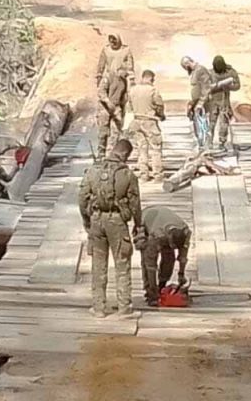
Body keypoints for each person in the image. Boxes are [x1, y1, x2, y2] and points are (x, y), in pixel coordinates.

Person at [78, 139, 145, 319]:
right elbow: (135, 203)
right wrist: (138, 225)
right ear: (125, 154)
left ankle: (98, 307)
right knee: (122, 264)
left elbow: (82, 198)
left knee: (98, 265)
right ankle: (124, 308)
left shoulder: (93, 170)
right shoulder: (128, 175)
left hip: (96, 220)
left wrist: (87, 221)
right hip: (117, 222)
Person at [140, 205, 191, 307]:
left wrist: (181, 274)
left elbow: (183, 257)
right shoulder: (157, 235)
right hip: (146, 219)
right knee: (146, 258)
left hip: (164, 223)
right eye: (173, 246)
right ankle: (149, 291)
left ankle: (162, 285)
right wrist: (153, 293)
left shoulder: (185, 232)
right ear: (169, 238)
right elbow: (151, 265)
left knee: (169, 257)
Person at [127, 69, 166, 182]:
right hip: (150, 122)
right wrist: (161, 116)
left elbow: (130, 106)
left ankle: (144, 175)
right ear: (150, 78)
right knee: (156, 149)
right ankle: (158, 175)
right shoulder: (153, 91)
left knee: (141, 149)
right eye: (152, 79)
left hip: (137, 121)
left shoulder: (132, 90)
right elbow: (159, 106)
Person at [208, 55, 241, 150]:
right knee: (211, 123)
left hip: (224, 101)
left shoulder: (230, 72)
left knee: (224, 123)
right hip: (213, 102)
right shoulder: (209, 73)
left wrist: (228, 86)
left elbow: (237, 85)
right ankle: (209, 142)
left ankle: (222, 142)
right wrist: (215, 86)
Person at [180, 56, 213, 150]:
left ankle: (205, 147)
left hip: (203, 104)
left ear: (187, 64)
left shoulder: (201, 70)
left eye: (185, 67)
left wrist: (200, 103)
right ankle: (201, 146)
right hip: (197, 103)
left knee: (204, 127)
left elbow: (206, 88)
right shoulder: (195, 72)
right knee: (198, 127)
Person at [97, 67, 129, 158]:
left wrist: (122, 110)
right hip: (104, 108)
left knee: (116, 131)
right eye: (125, 72)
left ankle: (112, 152)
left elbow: (124, 96)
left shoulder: (124, 81)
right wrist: (107, 101)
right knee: (103, 131)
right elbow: (101, 92)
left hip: (117, 107)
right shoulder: (108, 77)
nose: (126, 75)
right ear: (119, 70)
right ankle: (101, 152)